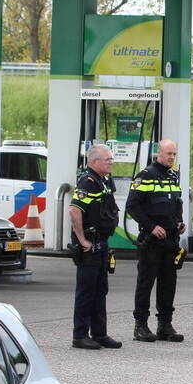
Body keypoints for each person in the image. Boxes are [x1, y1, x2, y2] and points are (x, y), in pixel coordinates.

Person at [126, 139, 185, 343]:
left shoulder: (172, 177)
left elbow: (176, 204)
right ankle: (140, 325)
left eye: (174, 154)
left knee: (168, 284)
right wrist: (151, 226)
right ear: (158, 153)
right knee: (146, 283)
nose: (171, 157)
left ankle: (165, 325)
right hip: (151, 239)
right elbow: (132, 206)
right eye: (168, 153)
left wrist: (179, 222)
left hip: (170, 239)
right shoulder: (146, 176)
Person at [69, 144, 121, 350]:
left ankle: (99, 333)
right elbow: (75, 210)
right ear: (93, 162)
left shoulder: (104, 181)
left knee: (100, 289)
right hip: (90, 244)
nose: (111, 162)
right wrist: (82, 240)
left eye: (111, 159)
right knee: (86, 290)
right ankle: (80, 335)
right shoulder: (87, 181)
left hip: (102, 243)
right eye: (107, 159)